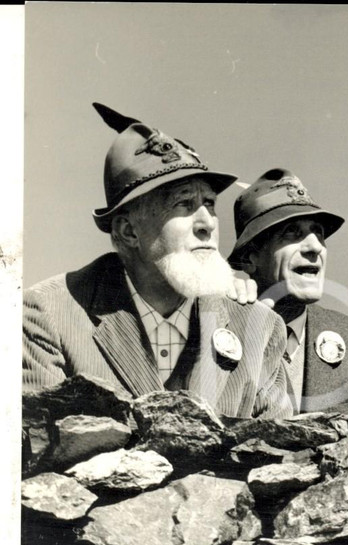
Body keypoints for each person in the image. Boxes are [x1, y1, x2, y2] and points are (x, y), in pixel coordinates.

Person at [23, 104, 293, 419]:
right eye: (183, 204)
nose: (207, 223)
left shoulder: (259, 328)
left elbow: (282, 458)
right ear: (128, 231)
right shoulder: (49, 315)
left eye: (209, 203)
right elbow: (40, 450)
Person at [228, 168, 348, 418]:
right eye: (292, 232)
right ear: (251, 258)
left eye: (319, 233)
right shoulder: (217, 326)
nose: (315, 247)